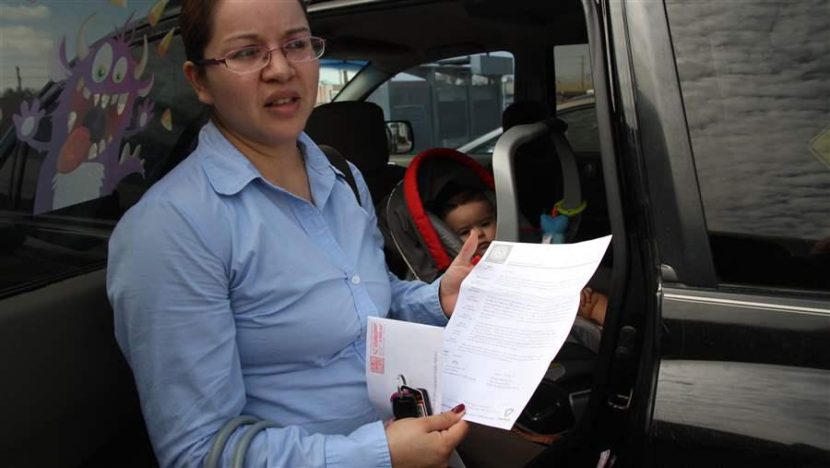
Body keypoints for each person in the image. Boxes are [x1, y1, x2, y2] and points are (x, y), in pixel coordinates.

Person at [106, 1, 474, 466]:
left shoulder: (341, 176)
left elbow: (368, 308)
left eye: (296, 44)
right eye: (246, 53)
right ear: (199, 80)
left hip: (424, 437)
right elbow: (199, 453)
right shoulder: (171, 230)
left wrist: (439, 299)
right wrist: (380, 453)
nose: (280, 69)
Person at [433, 185, 607, 326]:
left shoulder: (519, 248)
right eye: (464, 232)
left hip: (548, 303)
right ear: (448, 237)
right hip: (511, 321)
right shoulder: (456, 277)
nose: (478, 234)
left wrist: (570, 286)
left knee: (591, 301)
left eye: (485, 223)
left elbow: (546, 271)